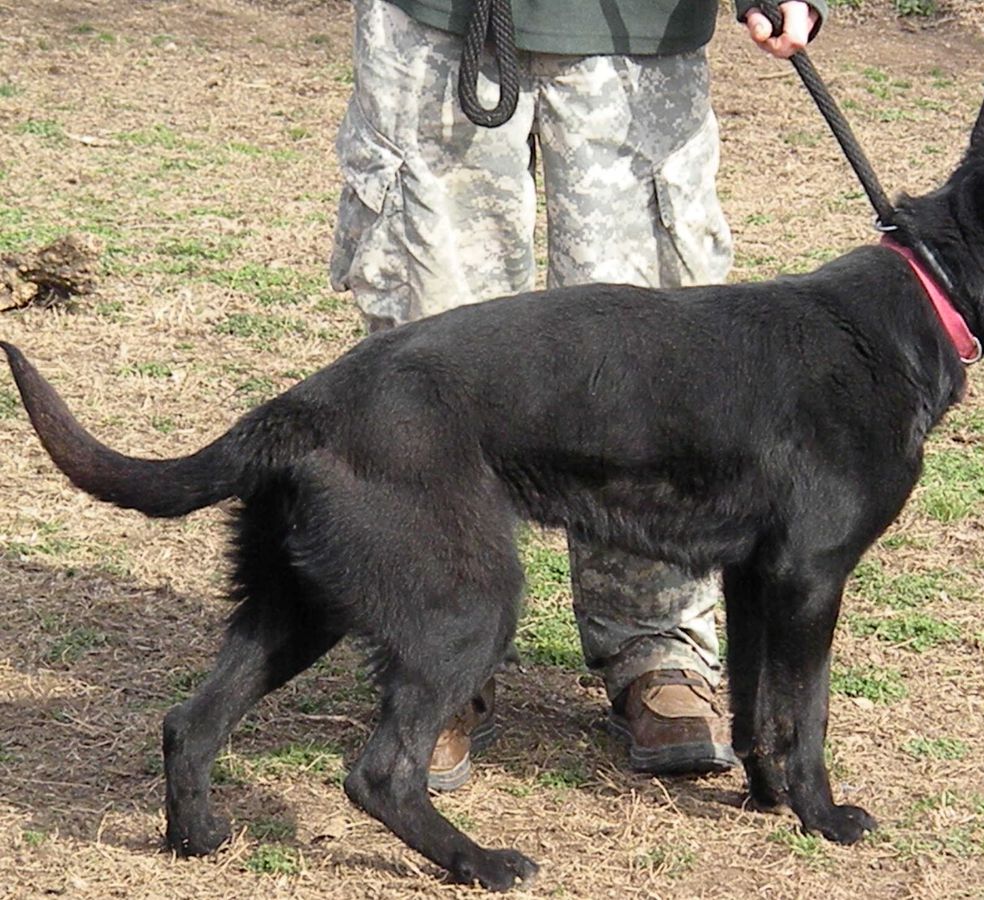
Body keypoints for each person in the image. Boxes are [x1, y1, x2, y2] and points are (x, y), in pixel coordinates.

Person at [329, 0, 826, 791]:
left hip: (637, 29)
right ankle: (434, 668)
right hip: (438, 25)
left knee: (661, 367)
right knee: (431, 353)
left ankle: (657, 644)